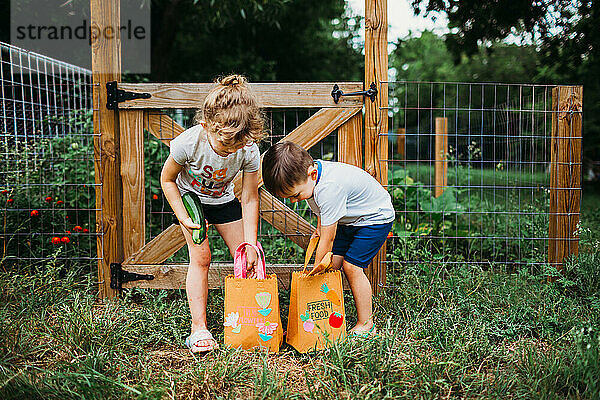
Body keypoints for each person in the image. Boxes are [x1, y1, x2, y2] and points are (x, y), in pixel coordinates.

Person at [161, 74, 265, 353]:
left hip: (223, 200)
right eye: (224, 145)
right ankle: (199, 329)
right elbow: (167, 180)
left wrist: (251, 245)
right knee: (202, 257)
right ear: (206, 126)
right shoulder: (188, 143)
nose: (230, 151)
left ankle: (251, 322)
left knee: (247, 256)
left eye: (237, 145)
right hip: (191, 200)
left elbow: (250, 196)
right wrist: (182, 215)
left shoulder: (248, 149)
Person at [262, 141, 394, 336]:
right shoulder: (310, 177)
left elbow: (328, 240)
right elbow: (320, 206)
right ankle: (326, 315)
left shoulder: (330, 187)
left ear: (312, 174)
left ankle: (367, 324)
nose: (293, 200)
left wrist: (316, 270)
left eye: (296, 195)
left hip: (374, 218)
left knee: (351, 267)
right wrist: (319, 224)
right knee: (333, 265)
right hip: (350, 218)